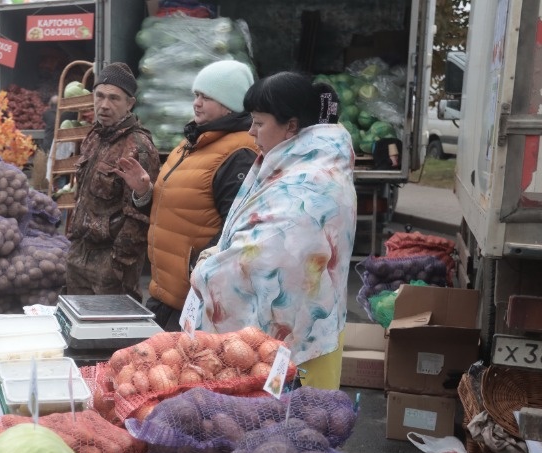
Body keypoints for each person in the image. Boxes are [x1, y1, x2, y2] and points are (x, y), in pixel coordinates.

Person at [189, 71, 357, 390]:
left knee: (284, 434)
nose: (251, 131)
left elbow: (270, 256)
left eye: (259, 122)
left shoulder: (310, 183)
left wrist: (208, 271)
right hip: (307, 335)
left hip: (291, 354)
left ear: (290, 126)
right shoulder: (308, 163)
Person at [114, 60, 259, 331]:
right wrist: (144, 192)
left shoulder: (239, 153)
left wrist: (199, 270)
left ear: (229, 104)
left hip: (196, 300)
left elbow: (236, 229)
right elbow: (178, 210)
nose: (197, 103)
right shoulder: (192, 142)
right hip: (167, 293)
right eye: (196, 95)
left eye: (207, 97)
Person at [64, 62, 160, 302]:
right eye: (100, 96)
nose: (105, 105)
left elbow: (140, 215)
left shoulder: (139, 147)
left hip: (111, 263)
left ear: (129, 104)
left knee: (114, 334)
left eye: (114, 98)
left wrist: (118, 263)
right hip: (79, 254)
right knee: (79, 328)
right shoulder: (93, 137)